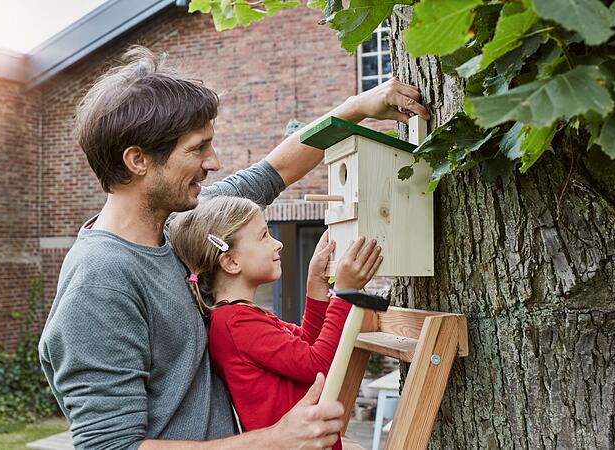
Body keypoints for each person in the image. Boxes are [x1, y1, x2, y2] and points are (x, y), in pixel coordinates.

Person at [38, 46, 429, 450]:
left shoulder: (185, 225)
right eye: (198, 148)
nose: (214, 162)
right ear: (138, 160)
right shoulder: (100, 282)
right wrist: (275, 440)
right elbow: (110, 446)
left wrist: (358, 107)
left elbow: (274, 171)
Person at [169, 196, 382, 450]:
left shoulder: (243, 317)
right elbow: (320, 365)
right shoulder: (236, 323)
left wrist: (315, 284)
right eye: (264, 236)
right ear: (231, 262)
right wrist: (344, 293)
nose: (278, 244)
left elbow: (307, 347)